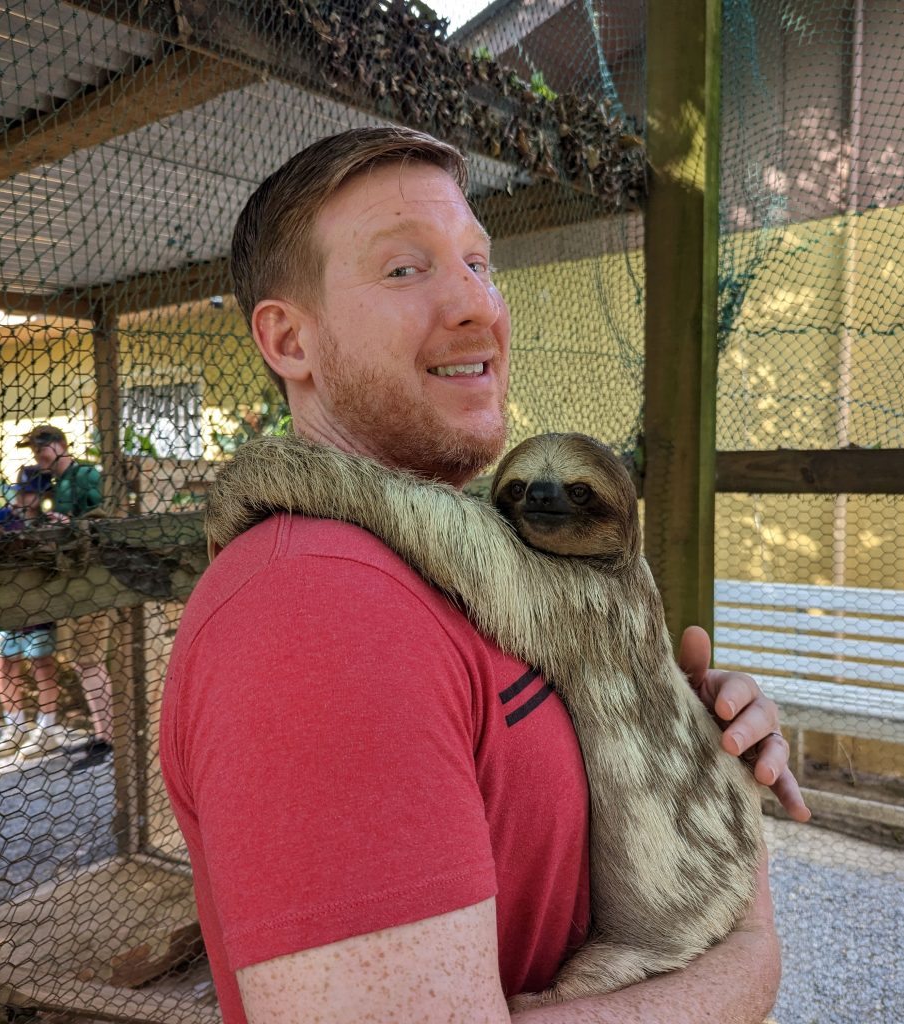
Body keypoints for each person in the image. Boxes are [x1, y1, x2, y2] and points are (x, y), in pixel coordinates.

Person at [160, 126, 810, 1024]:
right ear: (288, 340)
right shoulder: (317, 609)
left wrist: (699, 743)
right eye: (404, 270)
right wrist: (748, 961)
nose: (476, 303)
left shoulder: (480, 571)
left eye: (478, 262)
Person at [16, 425, 114, 770]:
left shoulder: (85, 474)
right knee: (80, 661)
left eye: (40, 450)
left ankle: (109, 741)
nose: (36, 457)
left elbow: (103, 517)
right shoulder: (58, 485)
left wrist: (70, 522)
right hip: (74, 584)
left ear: (58, 445)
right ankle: (103, 735)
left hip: (93, 579)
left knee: (89, 660)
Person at [0, 465, 73, 760]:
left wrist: (62, 527)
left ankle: (48, 727)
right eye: (22, 491)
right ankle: (14, 725)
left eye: (31, 492)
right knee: (4, 663)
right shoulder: (5, 517)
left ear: (43, 495)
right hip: (9, 604)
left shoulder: (50, 521)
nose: (24, 496)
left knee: (41, 664)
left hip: (39, 607)